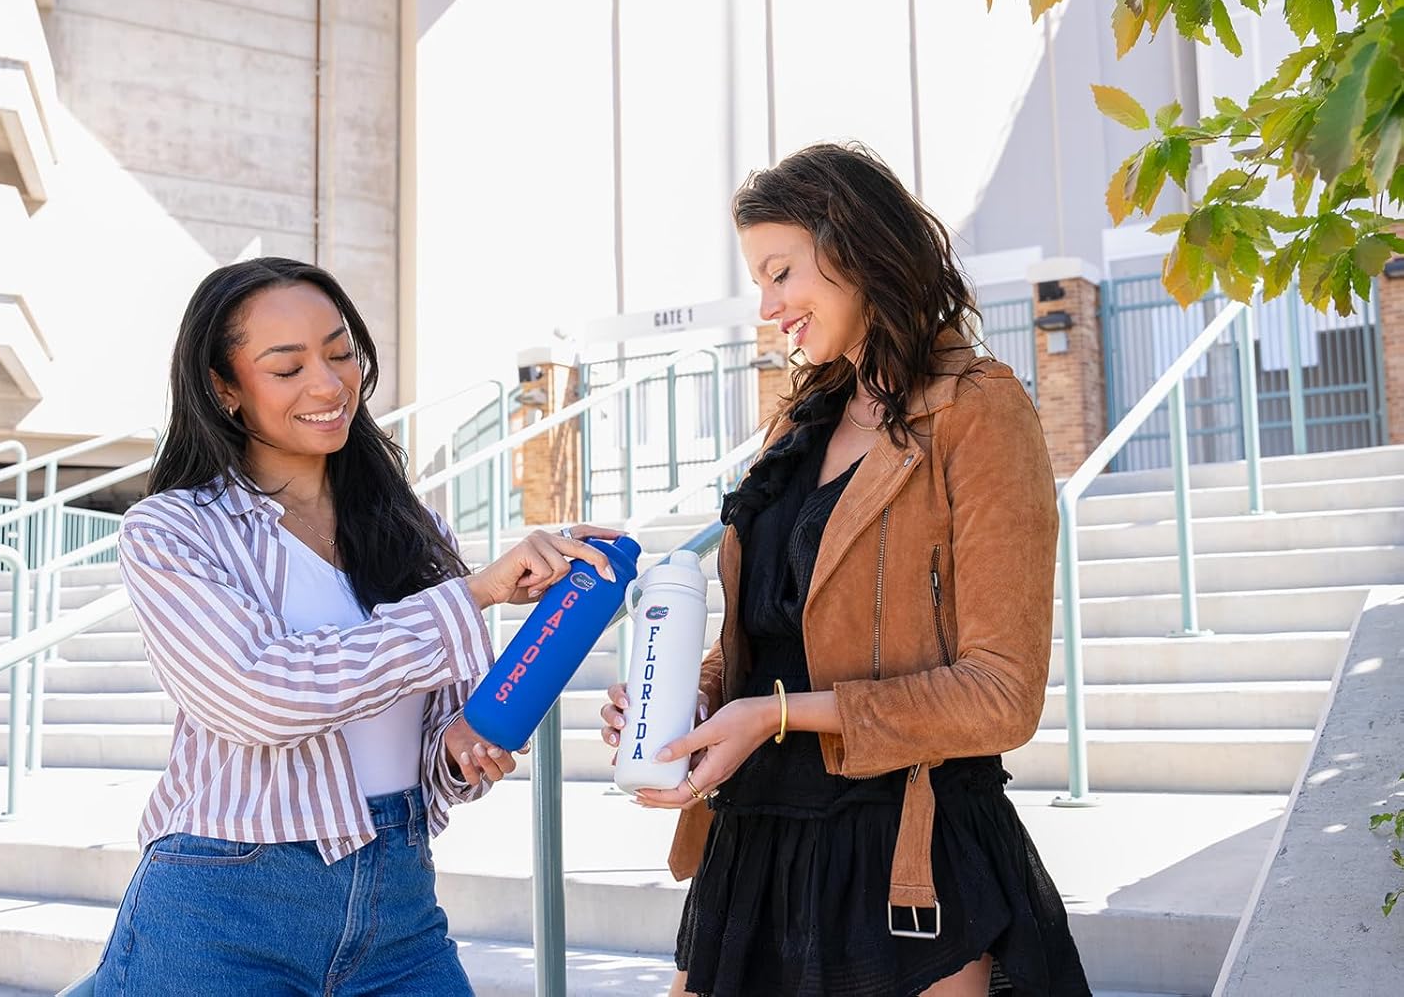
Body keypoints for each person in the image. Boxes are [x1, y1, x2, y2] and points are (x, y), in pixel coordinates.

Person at [602, 144, 1092, 996]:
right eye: (758, 280)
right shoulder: (800, 423)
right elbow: (773, 637)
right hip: (755, 847)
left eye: (782, 271)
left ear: (858, 251)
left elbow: (1003, 694)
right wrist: (693, 699)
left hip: (907, 855)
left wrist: (776, 716)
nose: (767, 306)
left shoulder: (980, 411)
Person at [96, 256, 620, 995]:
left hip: (397, 905)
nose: (328, 383)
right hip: (223, 909)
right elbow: (261, 694)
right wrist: (471, 596)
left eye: (341, 352)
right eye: (287, 368)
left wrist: (460, 751)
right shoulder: (175, 531)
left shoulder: (416, 530)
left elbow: (428, 734)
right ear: (225, 388)